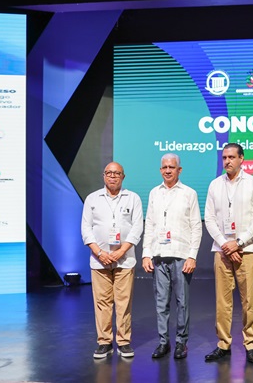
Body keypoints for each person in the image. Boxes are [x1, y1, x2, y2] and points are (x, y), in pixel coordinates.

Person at [203, 143, 253, 364]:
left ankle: (250, 345)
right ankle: (223, 344)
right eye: (224, 157)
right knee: (222, 301)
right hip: (222, 251)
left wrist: (238, 243)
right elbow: (209, 219)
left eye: (231, 157)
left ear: (242, 159)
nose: (227, 161)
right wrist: (225, 244)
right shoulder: (214, 185)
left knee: (249, 300)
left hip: (248, 251)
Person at [142, 153, 202, 360]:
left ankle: (181, 343)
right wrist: (146, 254)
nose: (168, 170)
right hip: (158, 255)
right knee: (161, 302)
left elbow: (196, 226)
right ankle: (163, 342)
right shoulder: (153, 193)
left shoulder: (189, 193)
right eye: (164, 167)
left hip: (181, 255)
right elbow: (149, 224)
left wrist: (192, 256)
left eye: (172, 167)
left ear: (179, 170)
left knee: (182, 302)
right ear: (160, 170)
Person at [81, 162, 143, 359]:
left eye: (117, 173)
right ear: (103, 175)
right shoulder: (92, 199)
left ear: (123, 176)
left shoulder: (133, 198)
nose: (113, 176)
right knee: (102, 303)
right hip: (99, 261)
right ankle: (104, 342)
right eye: (109, 173)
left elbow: (137, 228)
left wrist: (121, 250)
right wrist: (100, 253)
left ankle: (124, 342)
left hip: (125, 260)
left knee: (124, 303)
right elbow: (85, 229)